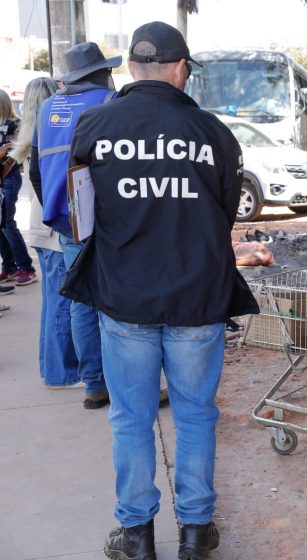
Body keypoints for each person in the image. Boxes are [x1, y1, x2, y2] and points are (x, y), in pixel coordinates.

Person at [62, 21, 258, 559]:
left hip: (125, 300)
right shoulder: (215, 134)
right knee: (196, 415)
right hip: (197, 300)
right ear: (180, 69)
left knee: (131, 419)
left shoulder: (94, 127)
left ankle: (137, 538)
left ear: (129, 68)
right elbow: (222, 220)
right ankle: (195, 535)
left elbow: (79, 216)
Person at [31, 42, 121, 408]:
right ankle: (122, 386)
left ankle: (94, 386)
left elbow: (36, 171)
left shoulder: (47, 109)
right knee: (116, 302)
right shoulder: (111, 103)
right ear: (102, 72)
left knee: (82, 301)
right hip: (109, 219)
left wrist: (57, 210)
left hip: (67, 221)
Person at [11, 76, 82, 387]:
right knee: (60, 304)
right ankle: (61, 372)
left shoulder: (28, 136)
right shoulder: (48, 134)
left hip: (41, 228)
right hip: (51, 229)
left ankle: (54, 368)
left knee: (53, 303)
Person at [0, 89, 38, 286]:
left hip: (9, 176)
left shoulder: (14, 125)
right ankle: (9, 266)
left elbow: (13, 155)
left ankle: (26, 267)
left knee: (7, 223)